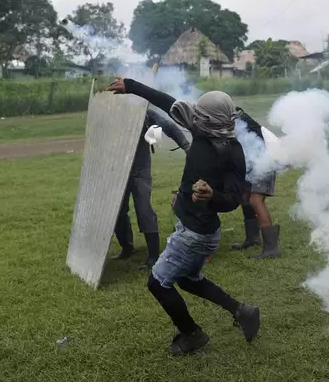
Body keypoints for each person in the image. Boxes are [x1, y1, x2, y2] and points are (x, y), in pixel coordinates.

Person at [107, 77, 260, 356]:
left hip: (197, 233)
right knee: (189, 280)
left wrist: (212, 195)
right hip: (192, 226)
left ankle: (193, 335)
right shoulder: (201, 126)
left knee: (157, 283)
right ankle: (242, 311)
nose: (195, 117)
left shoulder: (232, 152)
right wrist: (130, 85)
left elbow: (234, 200)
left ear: (214, 120)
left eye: (201, 115)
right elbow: (168, 102)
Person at [112, 109, 191, 270]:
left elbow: (169, 126)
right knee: (118, 210)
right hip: (116, 169)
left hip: (139, 169)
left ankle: (153, 255)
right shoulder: (110, 113)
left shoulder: (143, 111)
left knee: (143, 209)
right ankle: (127, 248)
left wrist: (186, 146)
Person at [231, 107, 281, 260]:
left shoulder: (235, 118)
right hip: (252, 160)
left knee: (255, 199)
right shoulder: (232, 117)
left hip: (265, 158)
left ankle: (272, 249)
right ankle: (252, 239)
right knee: (245, 197)